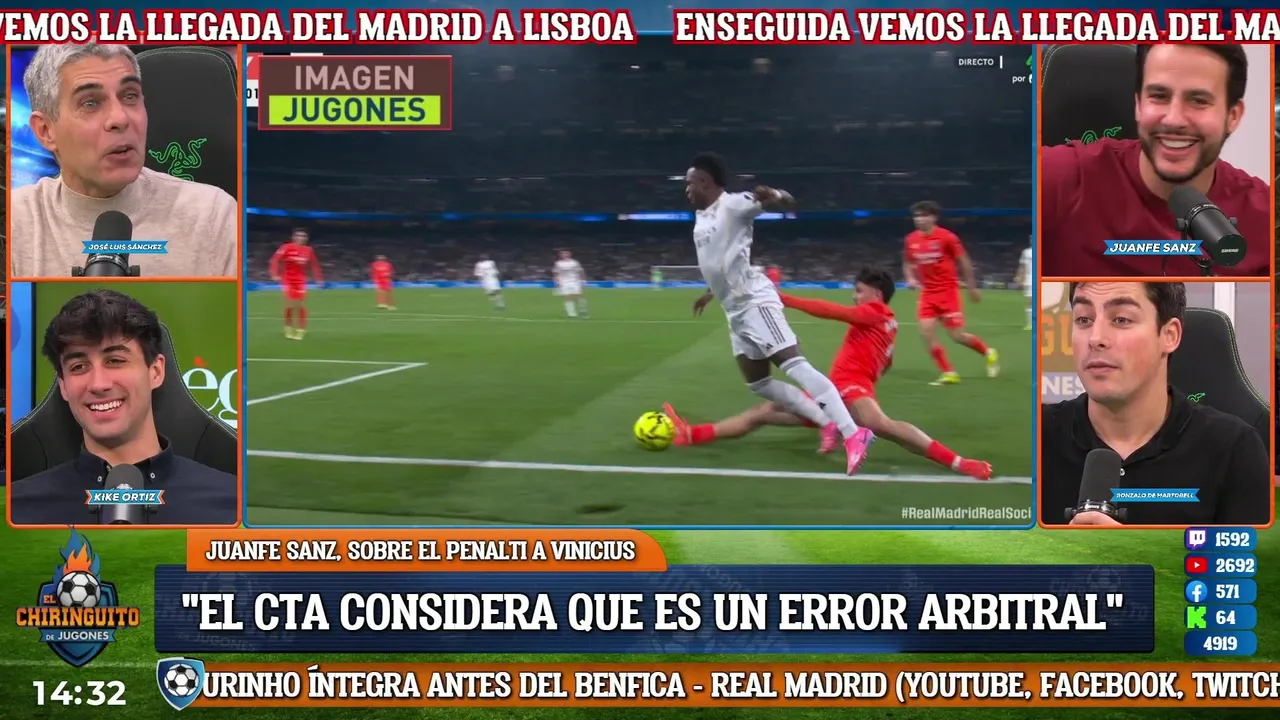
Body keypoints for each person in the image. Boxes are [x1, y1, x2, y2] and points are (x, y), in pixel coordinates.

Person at [664, 266, 993, 481]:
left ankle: (959, 463)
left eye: (859, 290)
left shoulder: (876, 311)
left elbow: (833, 311)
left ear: (876, 294)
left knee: (880, 424)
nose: (854, 295)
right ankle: (692, 434)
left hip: (850, 389)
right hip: (840, 392)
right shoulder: (889, 322)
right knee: (763, 411)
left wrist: (785, 299)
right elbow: (887, 363)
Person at [684, 152, 874, 475]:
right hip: (734, 311)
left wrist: (773, 195)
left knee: (796, 365)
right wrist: (710, 293)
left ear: (704, 181)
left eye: (689, 183)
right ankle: (826, 421)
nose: (686, 189)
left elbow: (786, 202)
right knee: (759, 383)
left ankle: (854, 433)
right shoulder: (701, 218)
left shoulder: (734, 204)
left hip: (755, 302)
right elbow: (721, 263)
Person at [1041, 281, 1269, 526]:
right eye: (1084, 319)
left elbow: (1248, 551)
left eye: (1121, 320)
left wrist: (1128, 549)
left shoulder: (1233, 448)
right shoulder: (1034, 435)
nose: (1096, 338)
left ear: (1169, 335)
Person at [9, 290, 237, 526]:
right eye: (79, 366)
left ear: (156, 371)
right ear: (64, 386)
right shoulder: (15, 510)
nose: (98, 384)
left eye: (115, 361)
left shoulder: (234, 505)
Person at [10, 43, 238, 278]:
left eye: (130, 96)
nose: (120, 118)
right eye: (90, 103)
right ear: (46, 131)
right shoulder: (16, 220)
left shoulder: (214, 215)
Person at [1041, 44, 1269, 277]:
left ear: (1232, 116)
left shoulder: (1264, 215)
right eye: (1159, 96)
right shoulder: (1062, 177)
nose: (1173, 120)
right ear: (1139, 105)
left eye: (1199, 100)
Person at [902, 201, 999, 385]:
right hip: (927, 294)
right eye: (916, 216)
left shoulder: (947, 237)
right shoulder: (911, 240)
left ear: (934, 217)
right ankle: (948, 372)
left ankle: (988, 352)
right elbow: (908, 262)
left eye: (923, 215)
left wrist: (971, 287)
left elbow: (964, 261)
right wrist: (910, 278)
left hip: (948, 292)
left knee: (957, 336)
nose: (919, 219)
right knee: (926, 332)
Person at [269, 228, 323, 340]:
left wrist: (318, 278)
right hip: (287, 279)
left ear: (306, 238)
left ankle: (301, 329)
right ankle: (288, 327)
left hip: (300, 280)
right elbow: (274, 260)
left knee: (300, 305)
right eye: (298, 235)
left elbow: (314, 265)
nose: (301, 238)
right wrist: (274, 274)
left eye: (303, 236)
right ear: (293, 237)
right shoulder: (286, 247)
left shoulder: (308, 250)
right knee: (290, 304)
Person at [553, 249, 588, 318]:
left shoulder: (575, 262)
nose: (564, 255)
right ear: (560, 255)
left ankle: (583, 310)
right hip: (564, 282)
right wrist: (556, 281)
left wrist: (584, 280)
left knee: (579, 296)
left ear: (570, 254)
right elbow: (556, 273)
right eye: (563, 253)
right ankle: (571, 313)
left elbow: (580, 271)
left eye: (566, 253)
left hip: (575, 281)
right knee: (567, 297)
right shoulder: (558, 263)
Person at [1016, 241, 1034, 330]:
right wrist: (1019, 277)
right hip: (1029, 280)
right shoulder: (1026, 252)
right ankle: (1030, 324)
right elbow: (1022, 266)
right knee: (1030, 303)